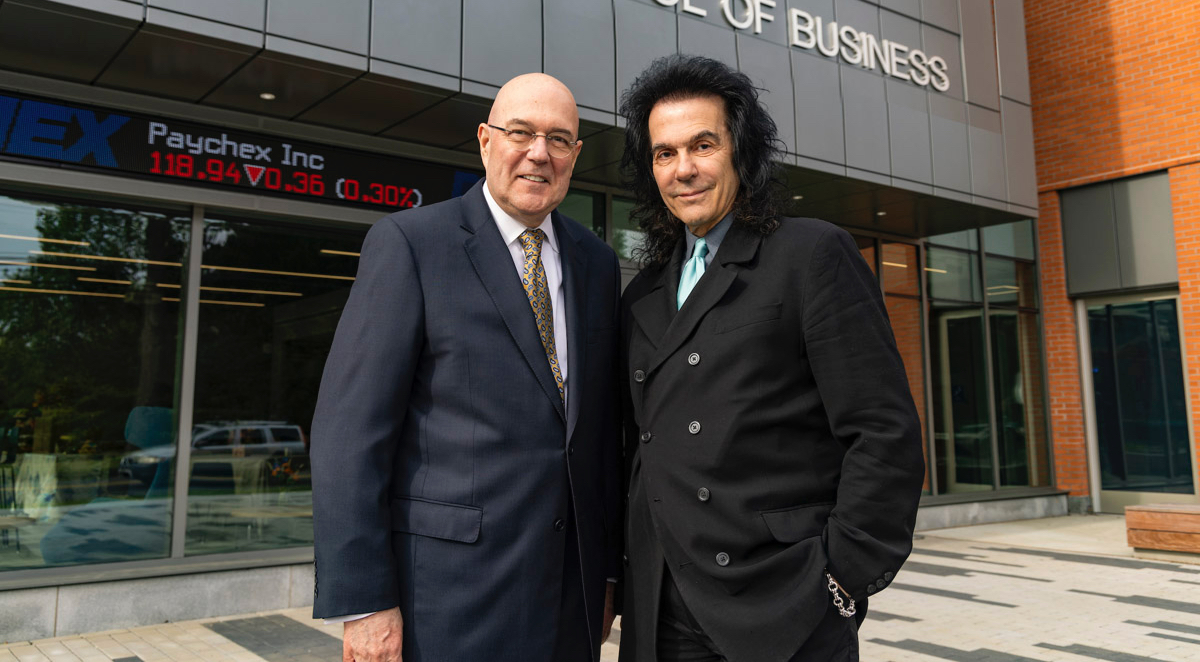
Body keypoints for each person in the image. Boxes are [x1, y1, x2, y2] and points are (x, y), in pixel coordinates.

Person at [615, 55, 925, 662]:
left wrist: (841, 580)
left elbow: (883, 431)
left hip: (781, 604)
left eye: (702, 145)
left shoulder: (811, 254)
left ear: (741, 150)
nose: (684, 170)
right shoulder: (643, 290)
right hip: (663, 606)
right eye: (663, 153)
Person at [311, 73, 623, 662]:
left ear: (576, 156)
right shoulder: (410, 243)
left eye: (559, 139)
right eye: (521, 133)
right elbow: (350, 435)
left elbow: (599, 436)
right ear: (485, 141)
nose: (539, 153)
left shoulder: (597, 263)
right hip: (446, 601)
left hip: (568, 601)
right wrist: (365, 603)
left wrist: (605, 574)